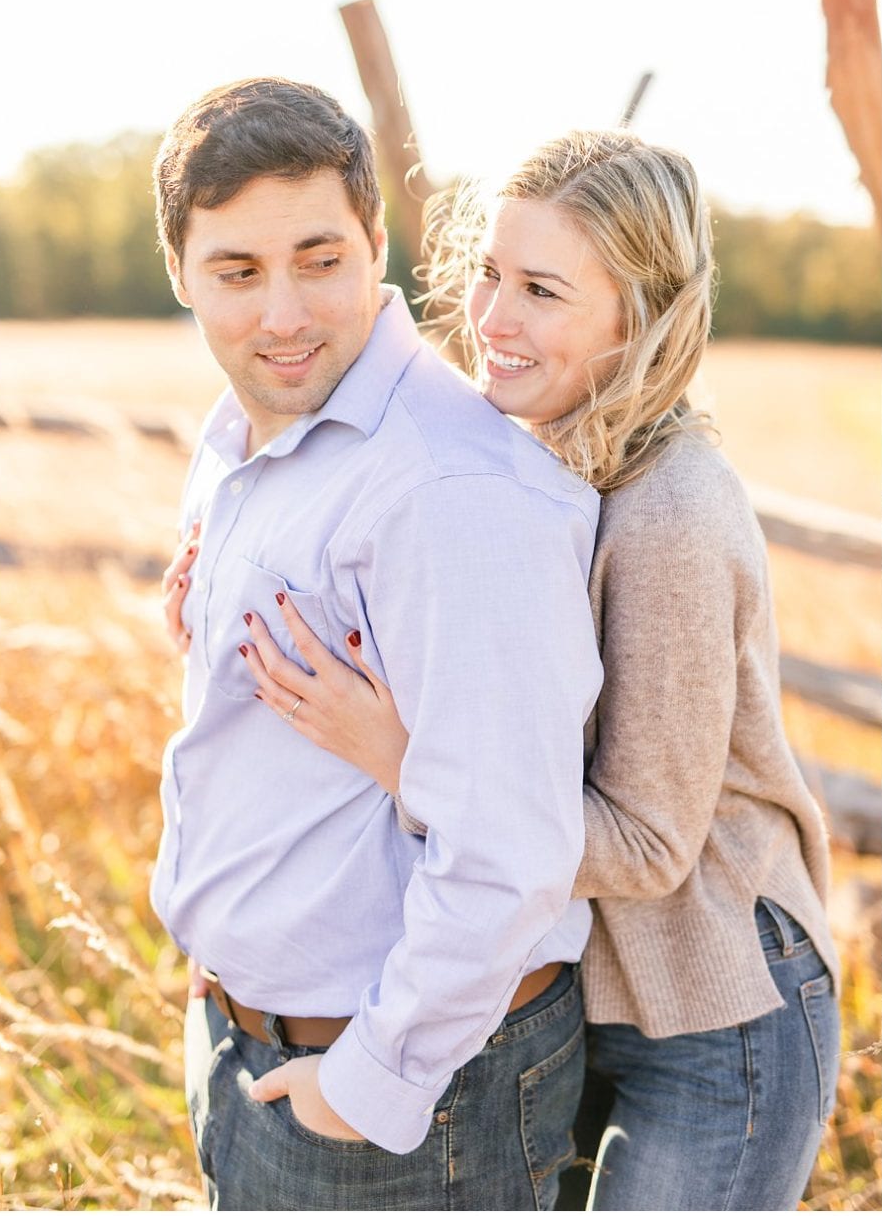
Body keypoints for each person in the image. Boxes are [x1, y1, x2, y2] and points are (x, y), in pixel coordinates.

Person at [165, 129, 841, 1211]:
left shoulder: (670, 510)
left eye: (540, 290)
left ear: (641, 309)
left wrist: (402, 759)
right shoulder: (533, 440)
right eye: (486, 273)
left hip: (710, 997)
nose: (491, 320)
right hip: (588, 981)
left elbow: (655, 844)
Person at [151, 77, 601, 1209]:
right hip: (252, 1042)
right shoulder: (249, 435)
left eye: (319, 259)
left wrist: (367, 1080)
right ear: (180, 274)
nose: (285, 314)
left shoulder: (447, 484)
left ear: (376, 243)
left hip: (408, 1091)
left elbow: (511, 845)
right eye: (237, 272)